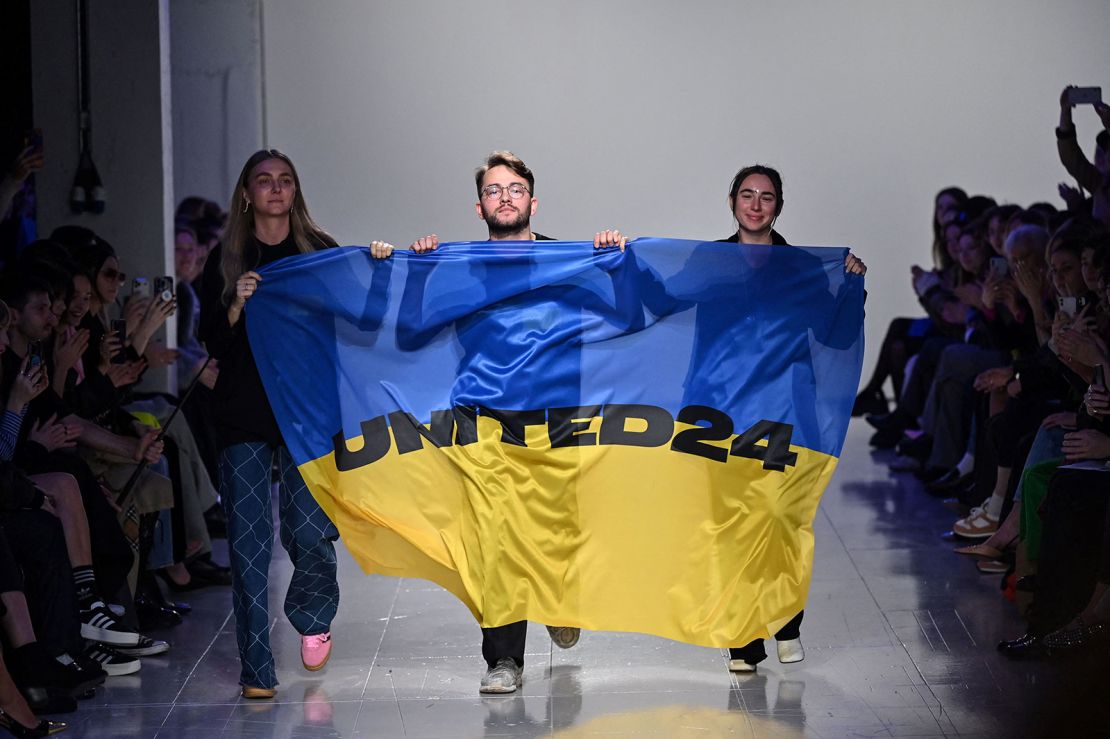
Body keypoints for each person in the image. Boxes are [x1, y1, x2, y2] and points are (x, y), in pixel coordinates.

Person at [397, 151, 626, 694]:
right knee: (496, 545)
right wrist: (415, 270)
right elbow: (409, 331)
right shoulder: (460, 266)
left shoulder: (567, 261)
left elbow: (624, 313)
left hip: (557, 419)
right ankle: (504, 662)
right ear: (479, 207)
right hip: (485, 420)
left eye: (515, 188)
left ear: (533, 201)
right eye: (494, 190)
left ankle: (559, 596)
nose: (505, 196)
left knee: (553, 532)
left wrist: (617, 260)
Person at [198, 149, 356, 699]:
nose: (275, 189)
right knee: (247, 545)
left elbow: (348, 315)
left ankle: (313, 615)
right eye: (264, 181)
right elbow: (211, 343)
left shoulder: (319, 252)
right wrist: (237, 305)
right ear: (247, 192)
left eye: (285, 181)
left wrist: (378, 258)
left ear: (295, 191)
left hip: (305, 413)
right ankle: (256, 667)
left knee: (309, 531)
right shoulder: (225, 260)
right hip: (243, 414)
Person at [717, 164, 865, 673]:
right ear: (731, 201)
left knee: (781, 517)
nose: (756, 205)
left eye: (766, 197)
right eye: (747, 195)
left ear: (779, 206)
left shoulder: (803, 268)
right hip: (724, 410)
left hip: (787, 409)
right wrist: (625, 264)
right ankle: (743, 641)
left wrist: (850, 290)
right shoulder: (710, 263)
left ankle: (786, 622)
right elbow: (667, 304)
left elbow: (836, 336)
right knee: (736, 523)